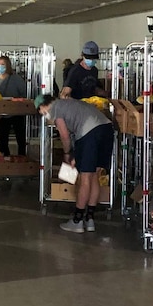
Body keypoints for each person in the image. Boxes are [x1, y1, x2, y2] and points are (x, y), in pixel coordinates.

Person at [35, 93, 114, 234]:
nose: (43, 115)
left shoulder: (56, 109)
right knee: (94, 175)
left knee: (85, 178)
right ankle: (89, 219)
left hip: (90, 134)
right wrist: (76, 154)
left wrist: (67, 153)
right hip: (106, 130)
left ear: (43, 106)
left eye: (41, 112)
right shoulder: (70, 104)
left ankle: (77, 221)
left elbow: (65, 137)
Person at [0, 56, 27, 158]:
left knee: (20, 137)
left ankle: (22, 158)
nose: (0, 67)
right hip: (2, 114)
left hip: (17, 112)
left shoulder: (17, 79)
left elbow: (24, 94)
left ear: (8, 66)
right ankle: (5, 159)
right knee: (2, 138)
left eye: (2, 64)